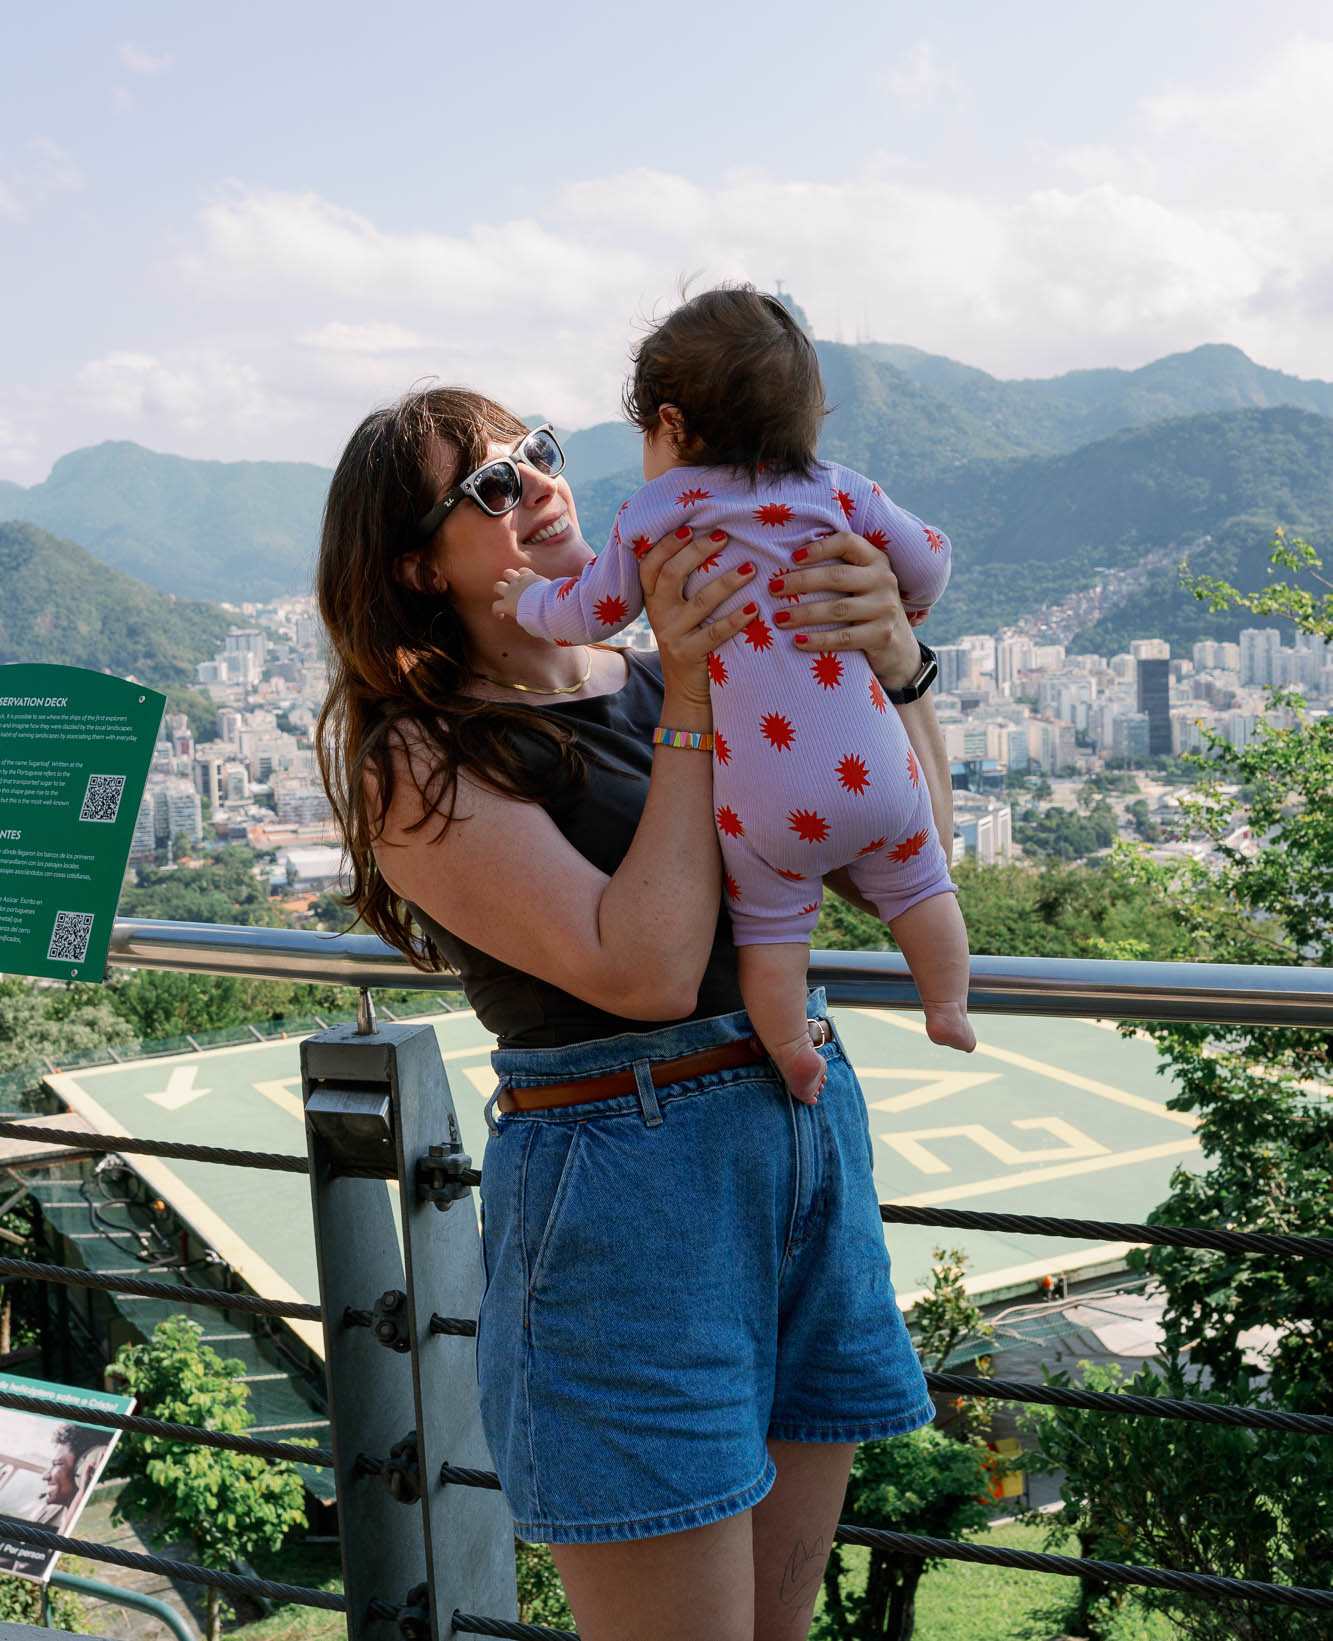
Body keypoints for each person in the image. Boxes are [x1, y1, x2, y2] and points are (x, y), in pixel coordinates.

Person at [315, 384, 954, 1641]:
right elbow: (645, 969)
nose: (541, 487)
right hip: (623, 1181)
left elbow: (905, 856)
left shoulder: (673, 672)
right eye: (491, 488)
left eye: (539, 456)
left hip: (803, 1136)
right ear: (415, 565)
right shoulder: (426, 756)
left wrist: (901, 664)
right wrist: (696, 698)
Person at [494, 286, 973, 1103]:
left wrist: (523, 603)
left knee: (774, 932)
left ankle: (791, 1049)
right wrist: (901, 607)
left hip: (764, 800)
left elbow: (592, 610)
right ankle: (950, 1006)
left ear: (672, 426)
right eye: (497, 485)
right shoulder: (840, 491)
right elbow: (929, 559)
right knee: (923, 886)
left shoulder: (656, 512)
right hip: (875, 774)